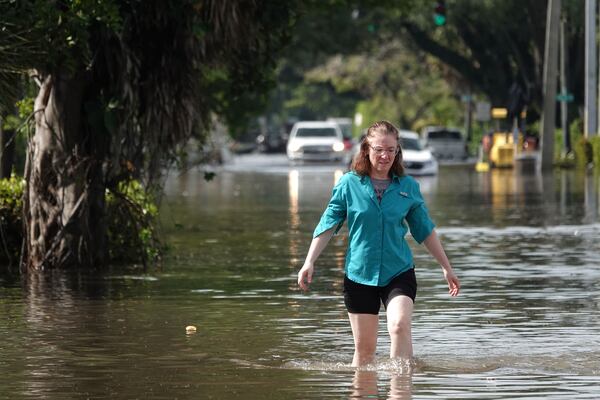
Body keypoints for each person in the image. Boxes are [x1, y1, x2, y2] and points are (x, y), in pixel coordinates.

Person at [297, 120, 460, 367]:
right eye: (378, 149)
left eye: (391, 150)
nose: (385, 156)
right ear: (366, 149)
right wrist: (309, 261)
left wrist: (446, 267)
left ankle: (401, 387)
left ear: (397, 152)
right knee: (364, 355)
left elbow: (424, 229)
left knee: (399, 325)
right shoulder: (348, 184)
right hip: (359, 275)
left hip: (399, 271)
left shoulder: (408, 187)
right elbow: (328, 224)